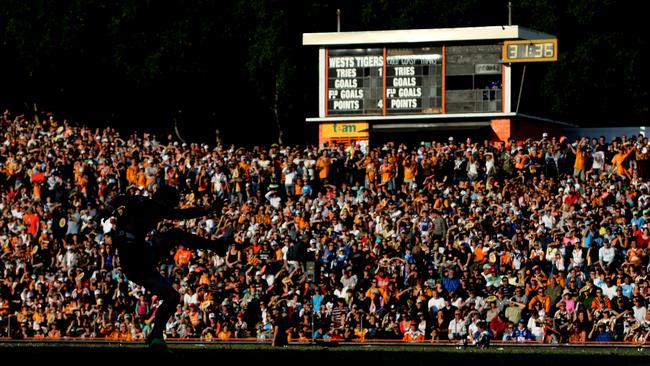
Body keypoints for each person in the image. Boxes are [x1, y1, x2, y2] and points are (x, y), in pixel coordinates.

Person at [105, 185, 229, 351]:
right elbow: (181, 214)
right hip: (138, 257)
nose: (170, 208)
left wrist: (108, 209)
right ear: (164, 200)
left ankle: (156, 336)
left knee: (172, 297)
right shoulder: (153, 206)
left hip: (136, 262)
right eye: (171, 203)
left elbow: (120, 199)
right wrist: (209, 208)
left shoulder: (141, 203)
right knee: (175, 235)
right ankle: (215, 246)